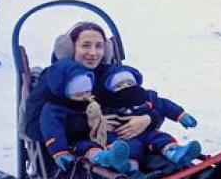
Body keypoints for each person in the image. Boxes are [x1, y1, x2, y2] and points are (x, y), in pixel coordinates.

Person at [24, 23, 159, 155]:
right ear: (71, 49)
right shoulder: (53, 80)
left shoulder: (110, 76)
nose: (93, 53)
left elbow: (150, 102)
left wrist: (148, 119)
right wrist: (90, 124)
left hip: (125, 145)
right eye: (86, 45)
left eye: (99, 46)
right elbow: (32, 128)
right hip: (75, 153)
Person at [38, 58, 135, 174]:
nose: (85, 97)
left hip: (98, 136)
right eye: (79, 95)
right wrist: (60, 152)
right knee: (87, 147)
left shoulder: (91, 101)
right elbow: (53, 130)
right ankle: (104, 158)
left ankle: (124, 161)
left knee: (116, 140)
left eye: (88, 92)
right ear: (64, 93)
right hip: (74, 143)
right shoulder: (54, 109)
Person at [98, 64, 202, 167]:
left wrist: (181, 115)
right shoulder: (109, 105)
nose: (126, 87)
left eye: (130, 83)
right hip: (124, 137)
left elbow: (164, 105)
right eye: (118, 86)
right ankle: (128, 166)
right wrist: (108, 137)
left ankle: (174, 152)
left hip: (148, 132)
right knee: (129, 149)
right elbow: (104, 122)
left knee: (161, 138)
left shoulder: (146, 97)